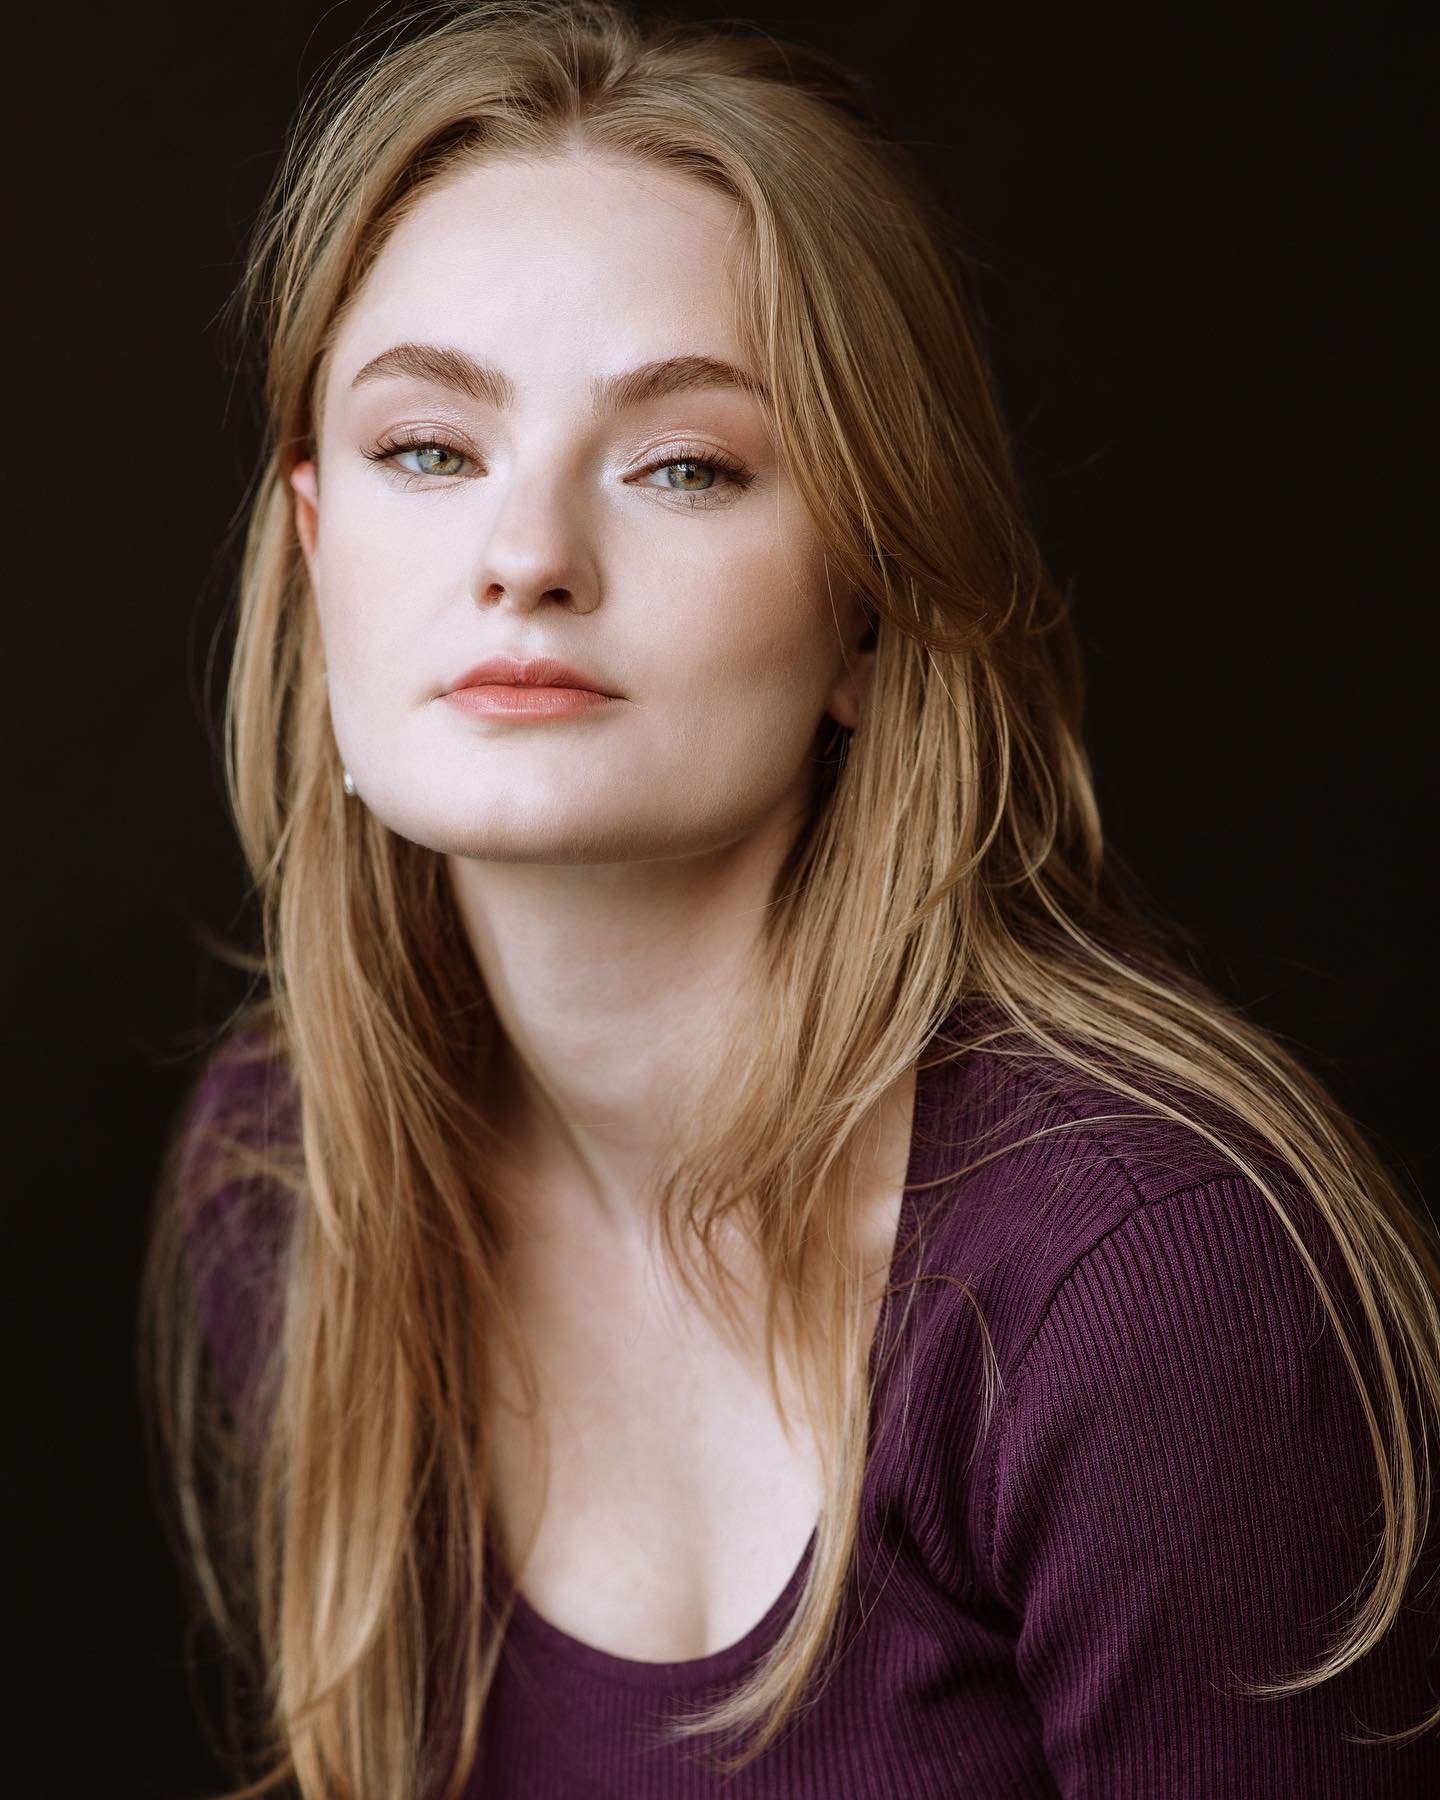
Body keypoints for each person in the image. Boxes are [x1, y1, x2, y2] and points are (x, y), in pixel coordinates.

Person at [139, 2, 1440, 1796]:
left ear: (870, 600)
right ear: (312, 539)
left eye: (687, 464)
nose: (526, 556)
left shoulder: (1151, 1291)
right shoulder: (292, 1188)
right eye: (429, 448)